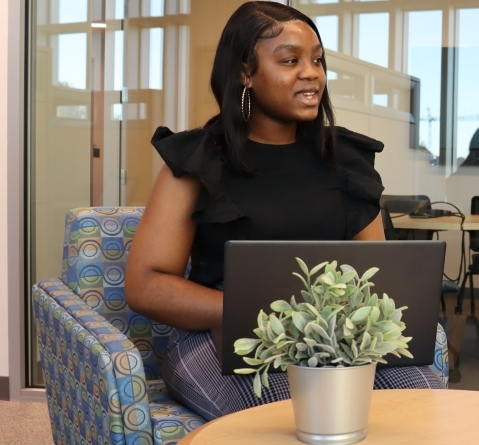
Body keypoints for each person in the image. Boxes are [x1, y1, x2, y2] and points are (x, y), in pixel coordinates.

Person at [124, 1, 444, 421]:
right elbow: (146, 285)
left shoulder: (347, 160)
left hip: (333, 337)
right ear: (244, 72)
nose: (311, 73)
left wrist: (336, 327)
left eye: (316, 60)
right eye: (290, 60)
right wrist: (258, 313)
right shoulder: (198, 160)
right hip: (220, 338)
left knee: (418, 404)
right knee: (299, 414)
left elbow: (375, 272)